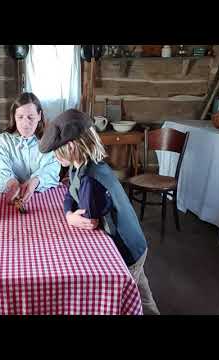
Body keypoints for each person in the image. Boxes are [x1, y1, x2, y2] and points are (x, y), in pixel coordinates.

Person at [39, 109, 160, 315]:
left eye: (56, 152)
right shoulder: (81, 165)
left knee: (130, 299)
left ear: (70, 147)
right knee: (143, 294)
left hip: (126, 249)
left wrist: (71, 216)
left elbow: (88, 220)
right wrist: (70, 214)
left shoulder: (91, 179)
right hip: (134, 243)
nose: (55, 157)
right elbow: (70, 195)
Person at [0, 92, 61, 204]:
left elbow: (51, 169)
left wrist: (35, 181)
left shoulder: (48, 140)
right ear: (14, 117)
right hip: (9, 196)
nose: (25, 123)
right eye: (20, 117)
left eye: (31, 117)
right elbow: (0, 171)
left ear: (39, 116)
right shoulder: (2, 141)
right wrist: (12, 183)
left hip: (42, 198)